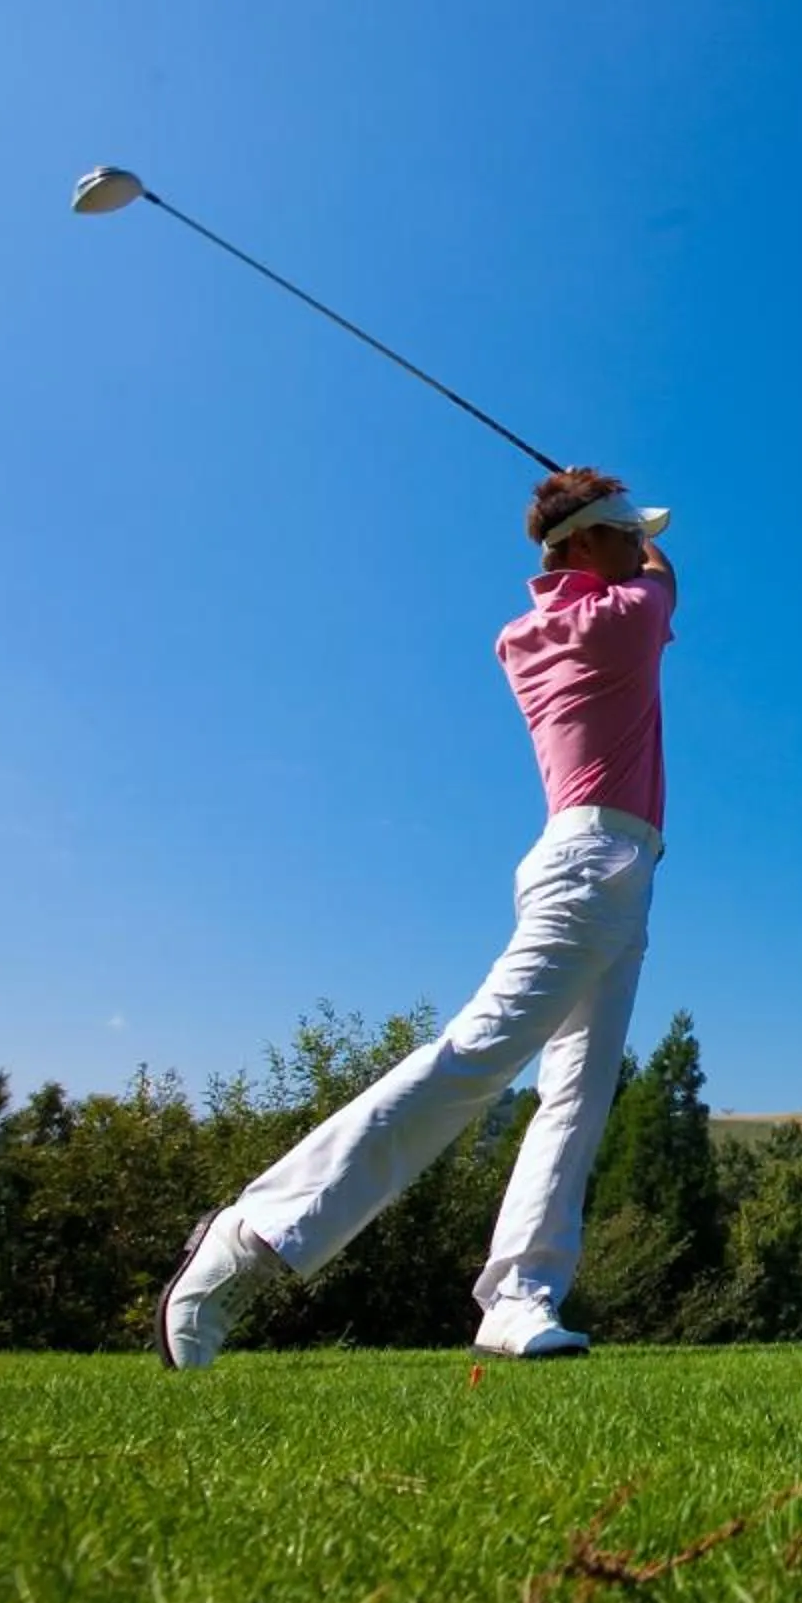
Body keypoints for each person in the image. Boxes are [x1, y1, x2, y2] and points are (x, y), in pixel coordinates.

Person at [156, 468, 678, 1367]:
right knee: (477, 1059)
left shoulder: (532, 630)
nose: (642, 543)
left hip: (608, 866)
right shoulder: (612, 620)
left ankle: (519, 1296)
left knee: (576, 1094)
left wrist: (602, 515)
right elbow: (662, 579)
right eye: (626, 532)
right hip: (589, 864)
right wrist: (631, 534)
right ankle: (249, 1234)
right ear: (590, 544)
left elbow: (635, 567)